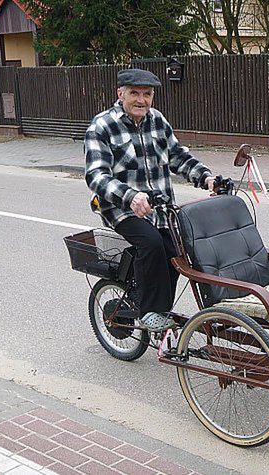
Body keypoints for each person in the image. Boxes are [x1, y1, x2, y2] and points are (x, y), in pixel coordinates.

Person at [84, 68, 217, 332]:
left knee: (178, 251)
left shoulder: (157, 120)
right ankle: (149, 312)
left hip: (160, 206)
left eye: (147, 94)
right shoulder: (102, 126)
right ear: (120, 94)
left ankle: (159, 307)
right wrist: (130, 197)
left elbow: (178, 156)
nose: (141, 100)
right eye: (134, 93)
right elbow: (96, 176)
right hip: (120, 207)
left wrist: (207, 178)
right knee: (152, 243)